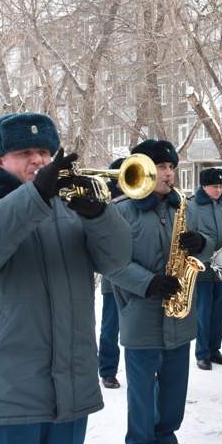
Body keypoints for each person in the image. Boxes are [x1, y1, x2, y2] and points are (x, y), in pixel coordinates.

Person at [0, 112, 132, 444]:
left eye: (45, 152)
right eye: (26, 153)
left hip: (71, 388)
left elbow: (116, 261)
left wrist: (100, 215)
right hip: (6, 394)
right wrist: (36, 195)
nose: (39, 161)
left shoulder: (72, 208)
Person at [107, 139, 212, 444]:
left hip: (179, 313)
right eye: (161, 167)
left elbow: (209, 244)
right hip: (141, 312)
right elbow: (112, 263)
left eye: (171, 167)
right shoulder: (121, 211)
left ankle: (165, 438)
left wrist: (202, 242)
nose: (168, 174)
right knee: (141, 389)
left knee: (174, 385)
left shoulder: (183, 206)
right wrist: (149, 283)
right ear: (144, 169)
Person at [189, 167, 222, 371]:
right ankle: (202, 353)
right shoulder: (193, 206)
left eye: (220, 186)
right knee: (203, 311)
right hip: (203, 267)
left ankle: (215, 349)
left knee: (219, 311)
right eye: (215, 186)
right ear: (204, 186)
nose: (219, 190)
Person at [100, 157, 126, 389]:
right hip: (112, 276)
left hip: (142, 273)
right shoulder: (105, 196)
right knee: (111, 326)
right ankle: (108, 370)